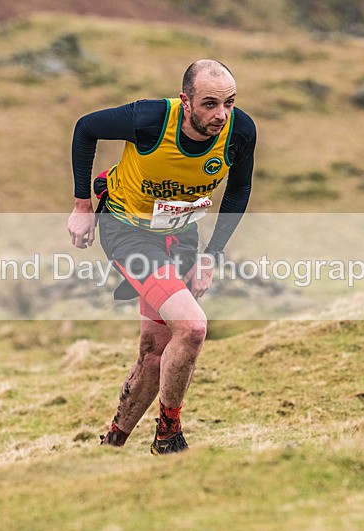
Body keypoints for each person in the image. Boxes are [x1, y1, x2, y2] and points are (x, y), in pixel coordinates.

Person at [68, 59, 256, 454]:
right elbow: (86, 128)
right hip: (128, 233)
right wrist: (82, 205)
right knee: (193, 327)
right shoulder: (150, 119)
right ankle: (169, 436)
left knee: (157, 348)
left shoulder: (240, 131)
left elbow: (238, 193)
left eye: (229, 103)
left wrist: (211, 256)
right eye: (209, 104)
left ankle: (111, 445)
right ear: (186, 101)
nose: (221, 115)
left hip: (181, 236)